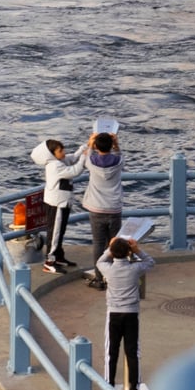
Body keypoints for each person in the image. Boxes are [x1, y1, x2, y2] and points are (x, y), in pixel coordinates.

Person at [98, 232, 155, 390]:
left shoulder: (108, 269)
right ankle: (134, 388)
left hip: (113, 313)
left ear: (112, 252)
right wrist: (137, 250)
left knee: (111, 351)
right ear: (128, 252)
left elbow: (100, 261)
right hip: (131, 314)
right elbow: (150, 262)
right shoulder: (135, 269)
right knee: (132, 351)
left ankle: (109, 388)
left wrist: (111, 247)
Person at [80, 117, 124, 287]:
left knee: (98, 244)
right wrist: (116, 144)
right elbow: (119, 154)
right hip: (114, 208)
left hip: (96, 208)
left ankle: (99, 278)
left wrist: (90, 143)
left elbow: (87, 157)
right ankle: (115, 276)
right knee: (114, 243)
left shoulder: (91, 162)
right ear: (111, 146)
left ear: (97, 146)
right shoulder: (118, 161)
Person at [31, 138, 82, 272]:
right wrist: (85, 159)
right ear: (52, 154)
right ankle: (50, 261)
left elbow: (73, 158)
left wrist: (85, 148)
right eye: (60, 150)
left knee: (60, 231)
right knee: (55, 232)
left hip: (63, 202)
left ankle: (58, 256)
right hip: (57, 204)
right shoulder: (55, 166)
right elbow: (74, 171)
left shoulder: (59, 161)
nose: (63, 152)